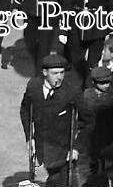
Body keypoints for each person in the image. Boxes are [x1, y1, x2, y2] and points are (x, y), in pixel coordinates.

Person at [20, 53, 88, 187]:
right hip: (43, 145)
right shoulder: (33, 86)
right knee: (53, 177)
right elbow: (25, 111)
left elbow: (87, 121)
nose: (59, 77)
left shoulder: (72, 91)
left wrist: (76, 147)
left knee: (62, 181)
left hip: (64, 148)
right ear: (45, 72)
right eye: (55, 73)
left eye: (62, 73)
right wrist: (29, 137)